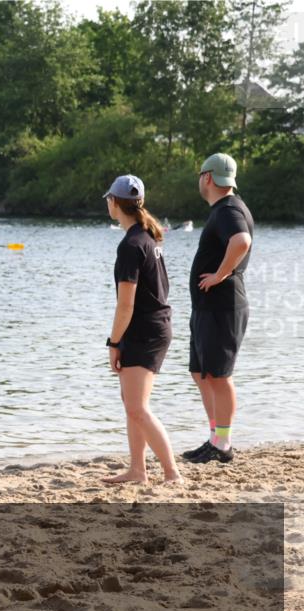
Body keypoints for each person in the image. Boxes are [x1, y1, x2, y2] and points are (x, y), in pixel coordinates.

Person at [101, 175, 182, 485]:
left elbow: (126, 305)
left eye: (108, 199)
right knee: (132, 404)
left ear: (114, 203)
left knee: (137, 406)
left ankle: (172, 473)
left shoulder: (132, 245)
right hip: (152, 327)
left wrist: (114, 342)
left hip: (146, 330)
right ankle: (138, 470)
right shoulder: (147, 239)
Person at [181, 153, 254, 464]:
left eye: (200, 175)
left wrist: (220, 275)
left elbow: (242, 241)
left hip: (222, 308)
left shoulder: (228, 209)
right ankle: (215, 438)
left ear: (207, 177)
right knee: (201, 373)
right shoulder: (224, 209)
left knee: (219, 376)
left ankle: (222, 444)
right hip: (208, 308)